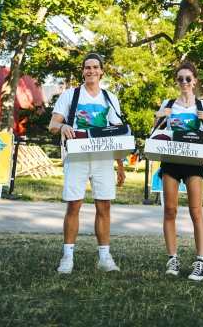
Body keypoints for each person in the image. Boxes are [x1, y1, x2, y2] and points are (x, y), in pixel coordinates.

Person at [49, 52, 126, 274]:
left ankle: (104, 257)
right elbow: (53, 124)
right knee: (74, 204)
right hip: (77, 157)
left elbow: (118, 132)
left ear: (102, 71)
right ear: (82, 71)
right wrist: (62, 127)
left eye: (95, 67)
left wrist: (120, 164)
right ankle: (67, 256)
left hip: (103, 159)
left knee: (104, 205)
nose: (91, 71)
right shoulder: (70, 96)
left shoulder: (110, 98)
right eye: (87, 67)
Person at [153, 61, 203, 282]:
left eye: (188, 78)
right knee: (170, 211)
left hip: (193, 163)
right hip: (170, 161)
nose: (184, 83)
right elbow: (156, 135)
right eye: (180, 79)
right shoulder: (169, 104)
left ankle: (201, 262)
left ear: (195, 80)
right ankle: (173, 258)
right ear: (176, 81)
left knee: (195, 211)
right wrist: (158, 116)